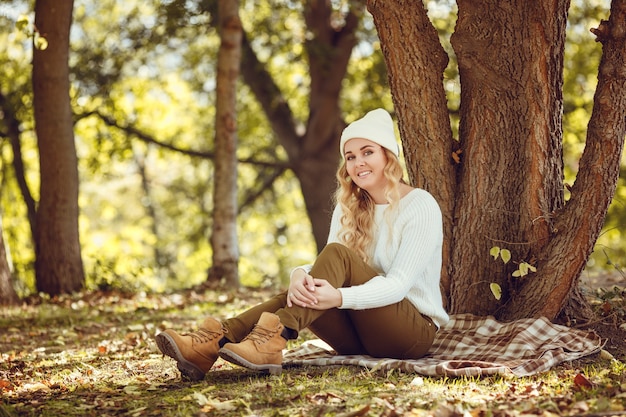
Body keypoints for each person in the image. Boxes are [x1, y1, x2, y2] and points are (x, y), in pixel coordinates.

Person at [155, 108, 449, 381]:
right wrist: (300, 273)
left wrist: (339, 299)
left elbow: (397, 285)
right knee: (302, 288)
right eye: (350, 156)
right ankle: (210, 343)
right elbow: (329, 270)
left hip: (410, 335)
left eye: (367, 152)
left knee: (333, 257)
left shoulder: (419, 206)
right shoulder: (349, 208)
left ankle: (272, 337)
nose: (358, 163)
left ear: (388, 156)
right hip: (361, 334)